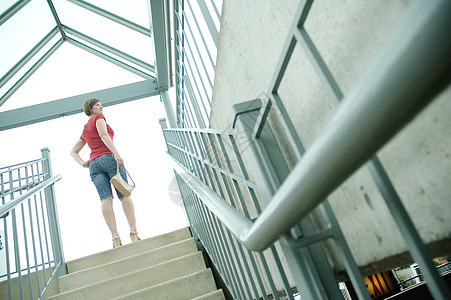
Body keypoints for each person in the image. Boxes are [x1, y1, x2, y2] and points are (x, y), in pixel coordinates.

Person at [70, 98, 140, 248]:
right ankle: (133, 232)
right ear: (90, 109)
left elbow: (73, 151)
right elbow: (104, 135)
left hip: (94, 165)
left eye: (101, 105)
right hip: (108, 158)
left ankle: (115, 237)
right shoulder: (98, 118)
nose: (101, 107)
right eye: (97, 105)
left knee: (105, 199)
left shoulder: (85, 128)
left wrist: (83, 163)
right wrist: (116, 154)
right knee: (124, 194)